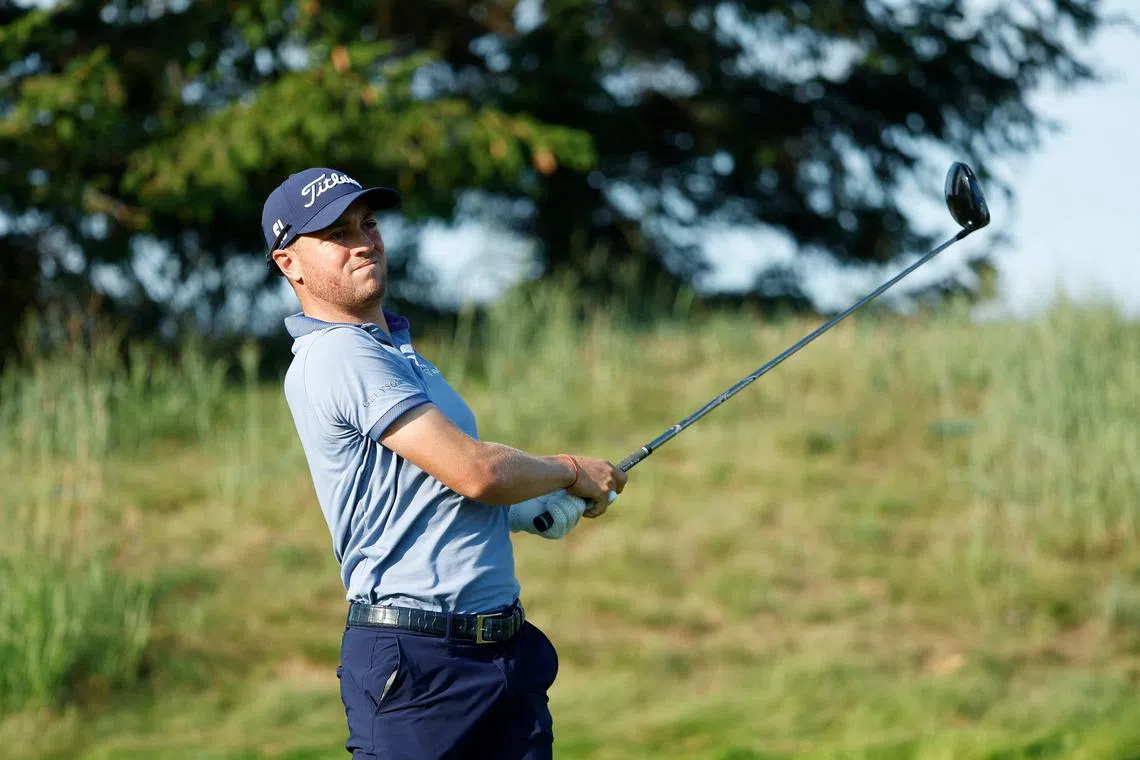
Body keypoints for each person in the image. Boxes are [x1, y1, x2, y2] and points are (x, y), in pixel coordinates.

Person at [261, 167, 627, 760]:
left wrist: (531, 507)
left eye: (368, 223)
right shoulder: (338, 356)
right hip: (418, 666)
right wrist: (568, 470)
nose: (363, 241)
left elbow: (437, 490)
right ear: (289, 264)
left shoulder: (402, 356)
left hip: (501, 655)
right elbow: (475, 471)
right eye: (336, 234)